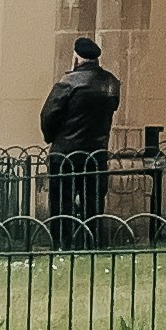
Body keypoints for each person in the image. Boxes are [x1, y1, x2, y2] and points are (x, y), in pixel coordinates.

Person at [41, 36, 121, 224]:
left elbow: (48, 116)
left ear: (76, 58)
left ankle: (63, 238)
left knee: (62, 205)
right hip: (96, 152)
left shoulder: (68, 83)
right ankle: (91, 237)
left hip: (66, 153)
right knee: (93, 204)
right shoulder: (111, 82)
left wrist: (51, 138)